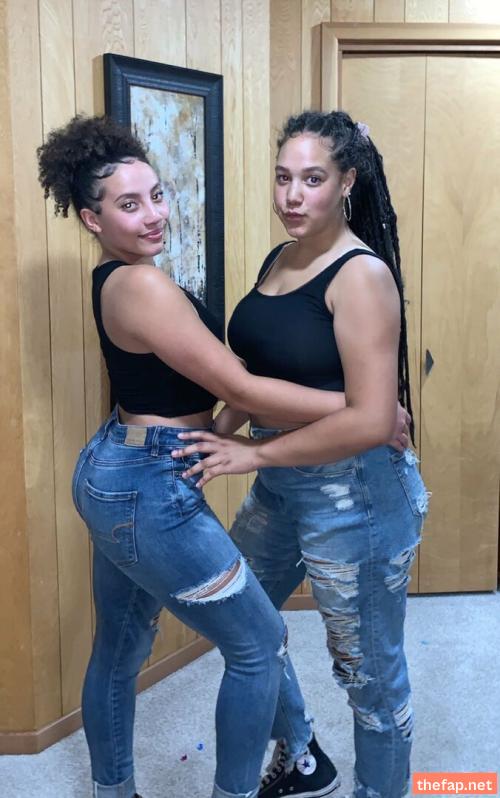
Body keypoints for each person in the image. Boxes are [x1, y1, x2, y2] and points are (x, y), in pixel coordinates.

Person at [36, 114, 411, 798]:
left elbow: (235, 378)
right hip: (157, 481)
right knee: (257, 644)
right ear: (92, 220)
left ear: (346, 182)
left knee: (122, 650)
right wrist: (364, 409)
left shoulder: (344, 272)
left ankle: (291, 763)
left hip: (130, 465)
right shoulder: (147, 283)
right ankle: (271, 773)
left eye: (157, 194)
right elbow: (240, 383)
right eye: (129, 204)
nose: (154, 214)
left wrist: (363, 412)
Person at [172, 110, 429, 798]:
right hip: (283, 482)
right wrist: (221, 430)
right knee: (238, 617)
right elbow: (256, 373)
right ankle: (305, 755)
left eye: (312, 180)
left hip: (356, 494)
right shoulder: (280, 257)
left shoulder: (361, 275)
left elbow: (372, 421)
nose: (292, 195)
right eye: (283, 177)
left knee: (370, 678)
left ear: (346, 182)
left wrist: (252, 456)